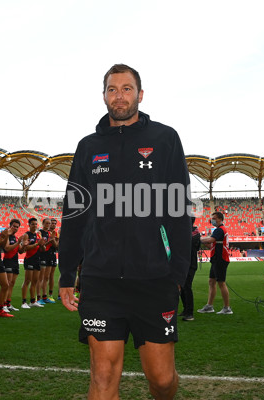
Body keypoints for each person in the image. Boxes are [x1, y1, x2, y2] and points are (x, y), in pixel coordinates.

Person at [58, 64, 191, 400]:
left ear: (140, 95)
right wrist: (65, 273)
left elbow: (179, 210)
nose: (120, 96)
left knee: (161, 379)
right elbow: (75, 214)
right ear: (104, 95)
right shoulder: (88, 146)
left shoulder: (165, 138)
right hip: (100, 280)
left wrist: (177, 273)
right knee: (102, 377)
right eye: (113, 89)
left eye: (127, 88)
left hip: (154, 279)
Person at [198, 212, 232, 315]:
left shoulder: (220, 230)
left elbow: (211, 240)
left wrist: (198, 240)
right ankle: (209, 306)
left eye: (214, 218)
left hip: (220, 259)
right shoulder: (219, 230)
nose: (212, 220)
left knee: (221, 282)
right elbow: (212, 245)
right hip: (216, 259)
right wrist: (203, 243)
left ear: (220, 219)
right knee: (211, 281)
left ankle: (227, 308)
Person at [19, 218, 45, 309]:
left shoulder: (39, 235)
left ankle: (33, 301)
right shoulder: (26, 235)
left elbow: (43, 249)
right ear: (29, 225)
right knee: (27, 281)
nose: (34, 226)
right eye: (33, 224)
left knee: (34, 281)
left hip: (37, 259)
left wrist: (42, 245)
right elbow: (26, 248)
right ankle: (24, 302)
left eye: (35, 224)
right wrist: (37, 244)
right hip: (29, 259)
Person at [180, 219, 200, 321]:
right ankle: (185, 309)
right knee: (183, 287)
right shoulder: (195, 232)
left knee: (187, 287)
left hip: (189, 263)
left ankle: (190, 313)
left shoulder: (190, 233)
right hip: (186, 263)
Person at [2, 218, 22, 313]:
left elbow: (21, 251)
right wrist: (18, 243)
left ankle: (8, 304)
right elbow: (7, 248)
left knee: (12, 284)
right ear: (10, 226)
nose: (15, 228)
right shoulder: (7, 236)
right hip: (8, 261)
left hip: (15, 261)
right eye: (14, 226)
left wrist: (25, 244)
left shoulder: (16, 238)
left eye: (17, 227)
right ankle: (4, 304)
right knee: (8, 284)